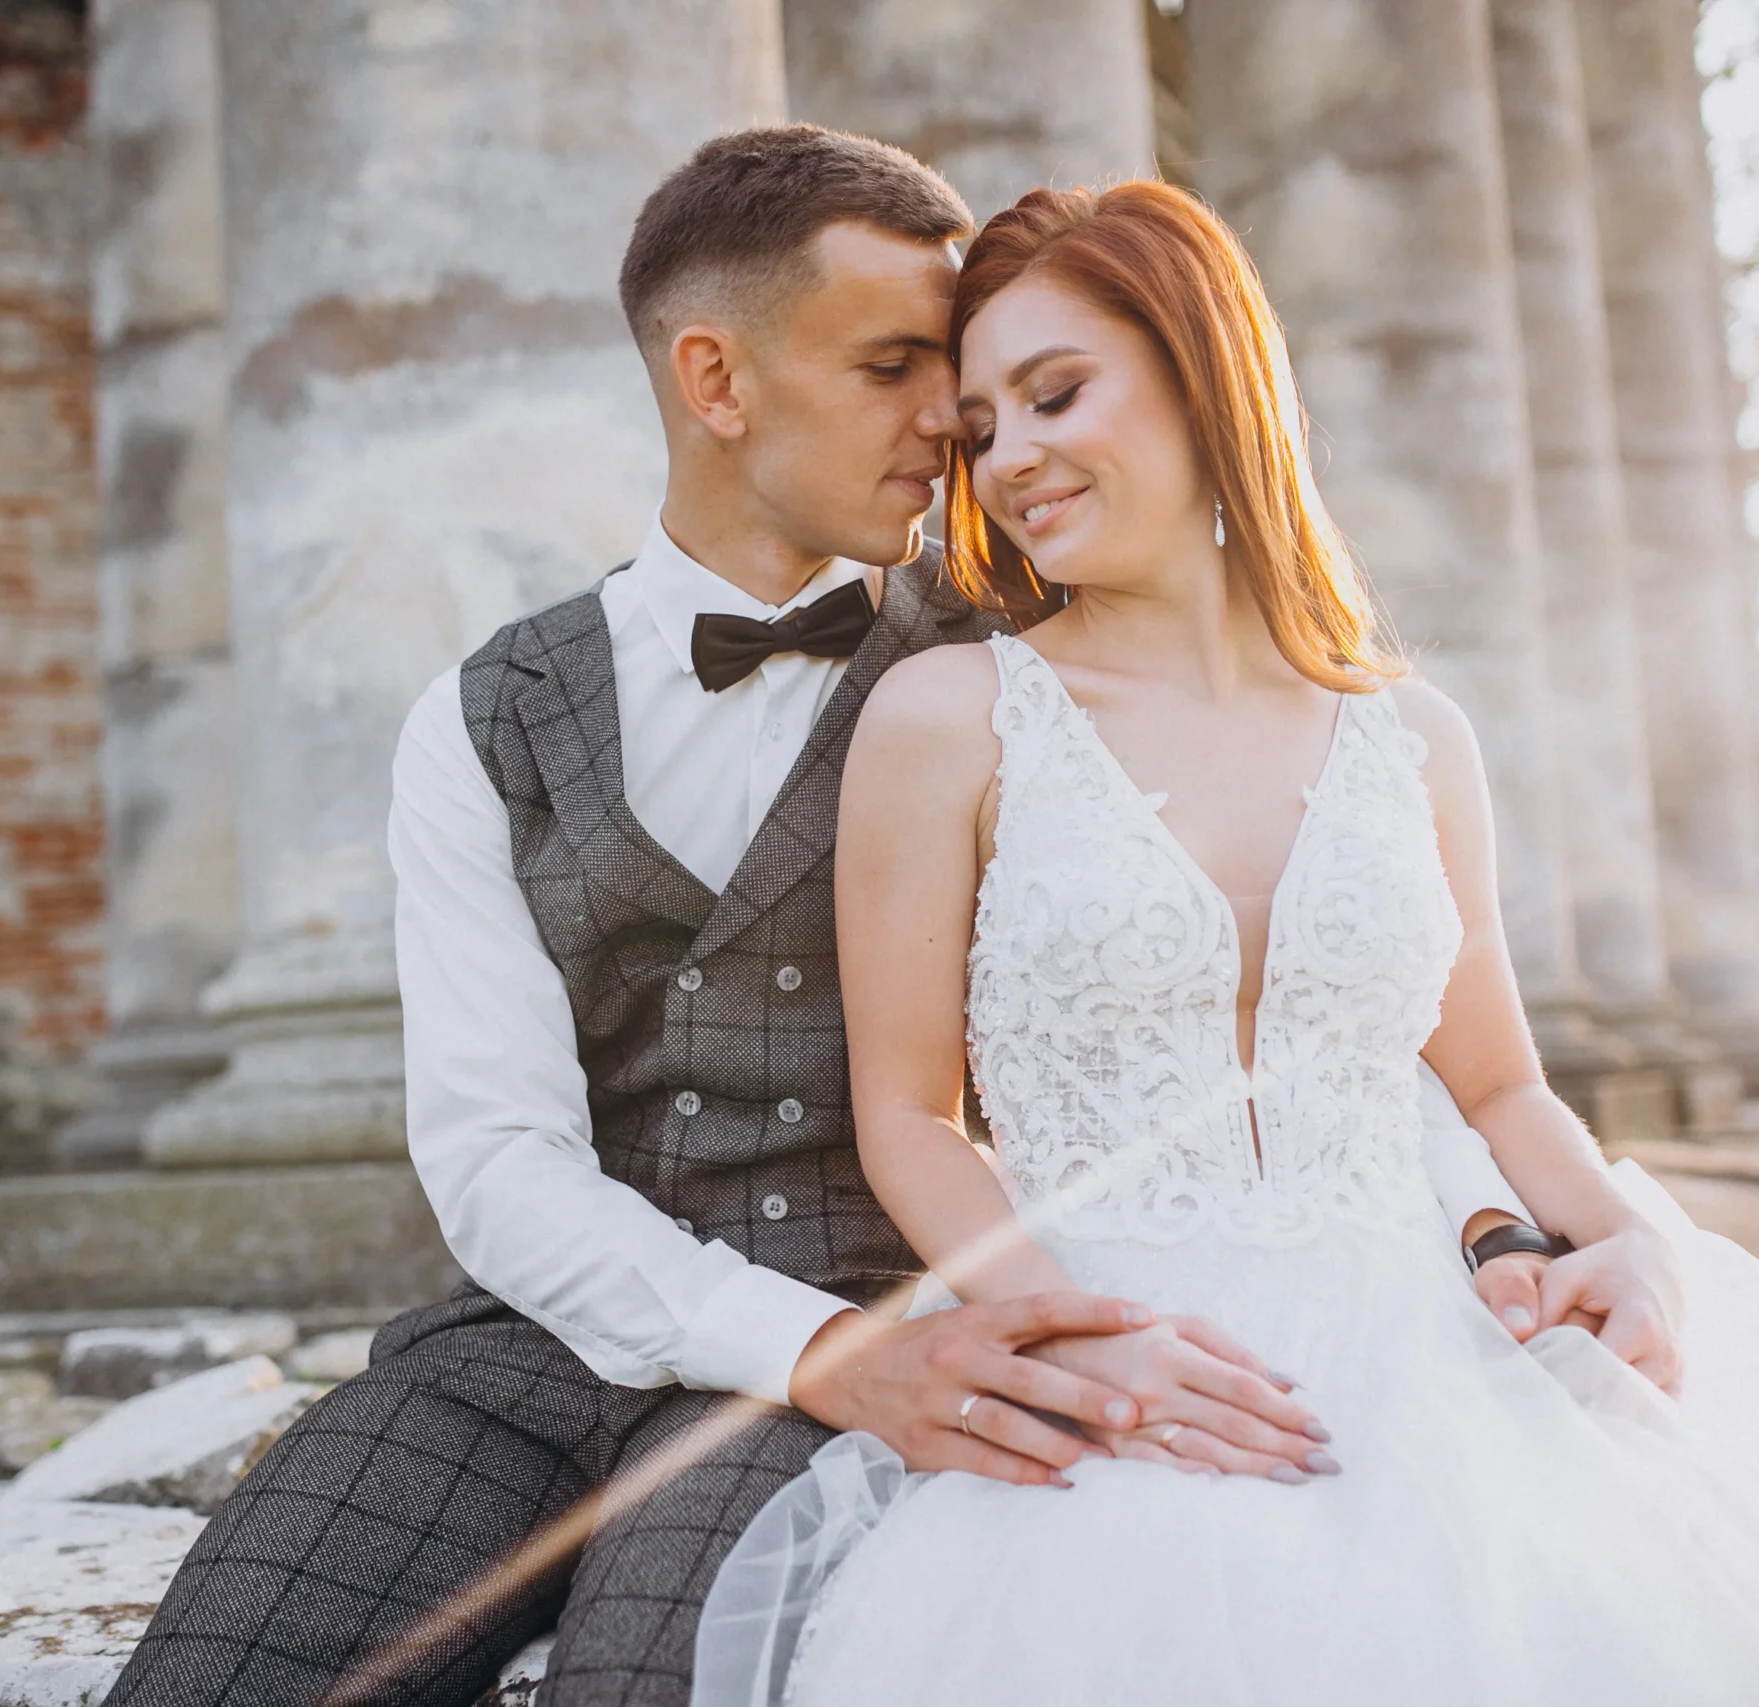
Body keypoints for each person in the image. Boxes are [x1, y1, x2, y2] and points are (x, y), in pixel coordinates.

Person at [105, 129, 1619, 1707]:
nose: (954, 437)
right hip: (534, 1352)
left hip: (885, 1346)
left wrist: (1502, 1222)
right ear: (717, 380)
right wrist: (798, 1342)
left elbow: (1305, 1012)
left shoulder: (1030, 681)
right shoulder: (479, 718)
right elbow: (493, 1157)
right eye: (902, 370)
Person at [689, 180, 1759, 1707]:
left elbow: (1496, 1086)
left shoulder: (1412, 737)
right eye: (981, 426)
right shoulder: (947, 718)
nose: (1010, 459)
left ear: (1206, 370)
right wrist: (1070, 1343)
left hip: (1447, 1358)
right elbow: (910, 1115)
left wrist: (1625, 1241)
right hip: (1144, 1356)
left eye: (1055, 394)